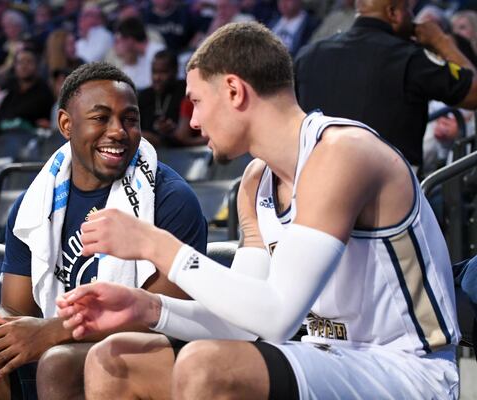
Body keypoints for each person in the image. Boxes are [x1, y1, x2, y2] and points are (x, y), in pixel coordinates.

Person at [56, 22, 461, 399]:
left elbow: (276, 317)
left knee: (208, 365)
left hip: (409, 370)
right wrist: (147, 307)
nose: (193, 121)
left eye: (197, 101)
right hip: (327, 357)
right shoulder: (254, 183)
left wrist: (154, 245)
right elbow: (246, 322)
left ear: (234, 91)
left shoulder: (342, 154)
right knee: (118, 360)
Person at [0, 62, 207, 400]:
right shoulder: (34, 204)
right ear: (65, 124)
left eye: (130, 119)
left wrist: (55, 332)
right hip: (52, 350)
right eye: (101, 118)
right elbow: (15, 309)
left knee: (58, 363)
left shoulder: (170, 198)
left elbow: (163, 314)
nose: (118, 131)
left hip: (139, 355)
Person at [294, 0, 477, 173]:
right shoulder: (410, 58)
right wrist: (441, 41)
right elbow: (473, 93)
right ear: (393, 13)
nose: (412, 17)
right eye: (408, 9)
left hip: (312, 185)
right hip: (388, 194)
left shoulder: (308, 56)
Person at [138, 50, 206, 147]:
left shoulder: (186, 90)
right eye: (154, 72)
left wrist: (171, 132)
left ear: (175, 70)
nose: (157, 77)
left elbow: (185, 136)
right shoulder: (144, 96)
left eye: (163, 72)